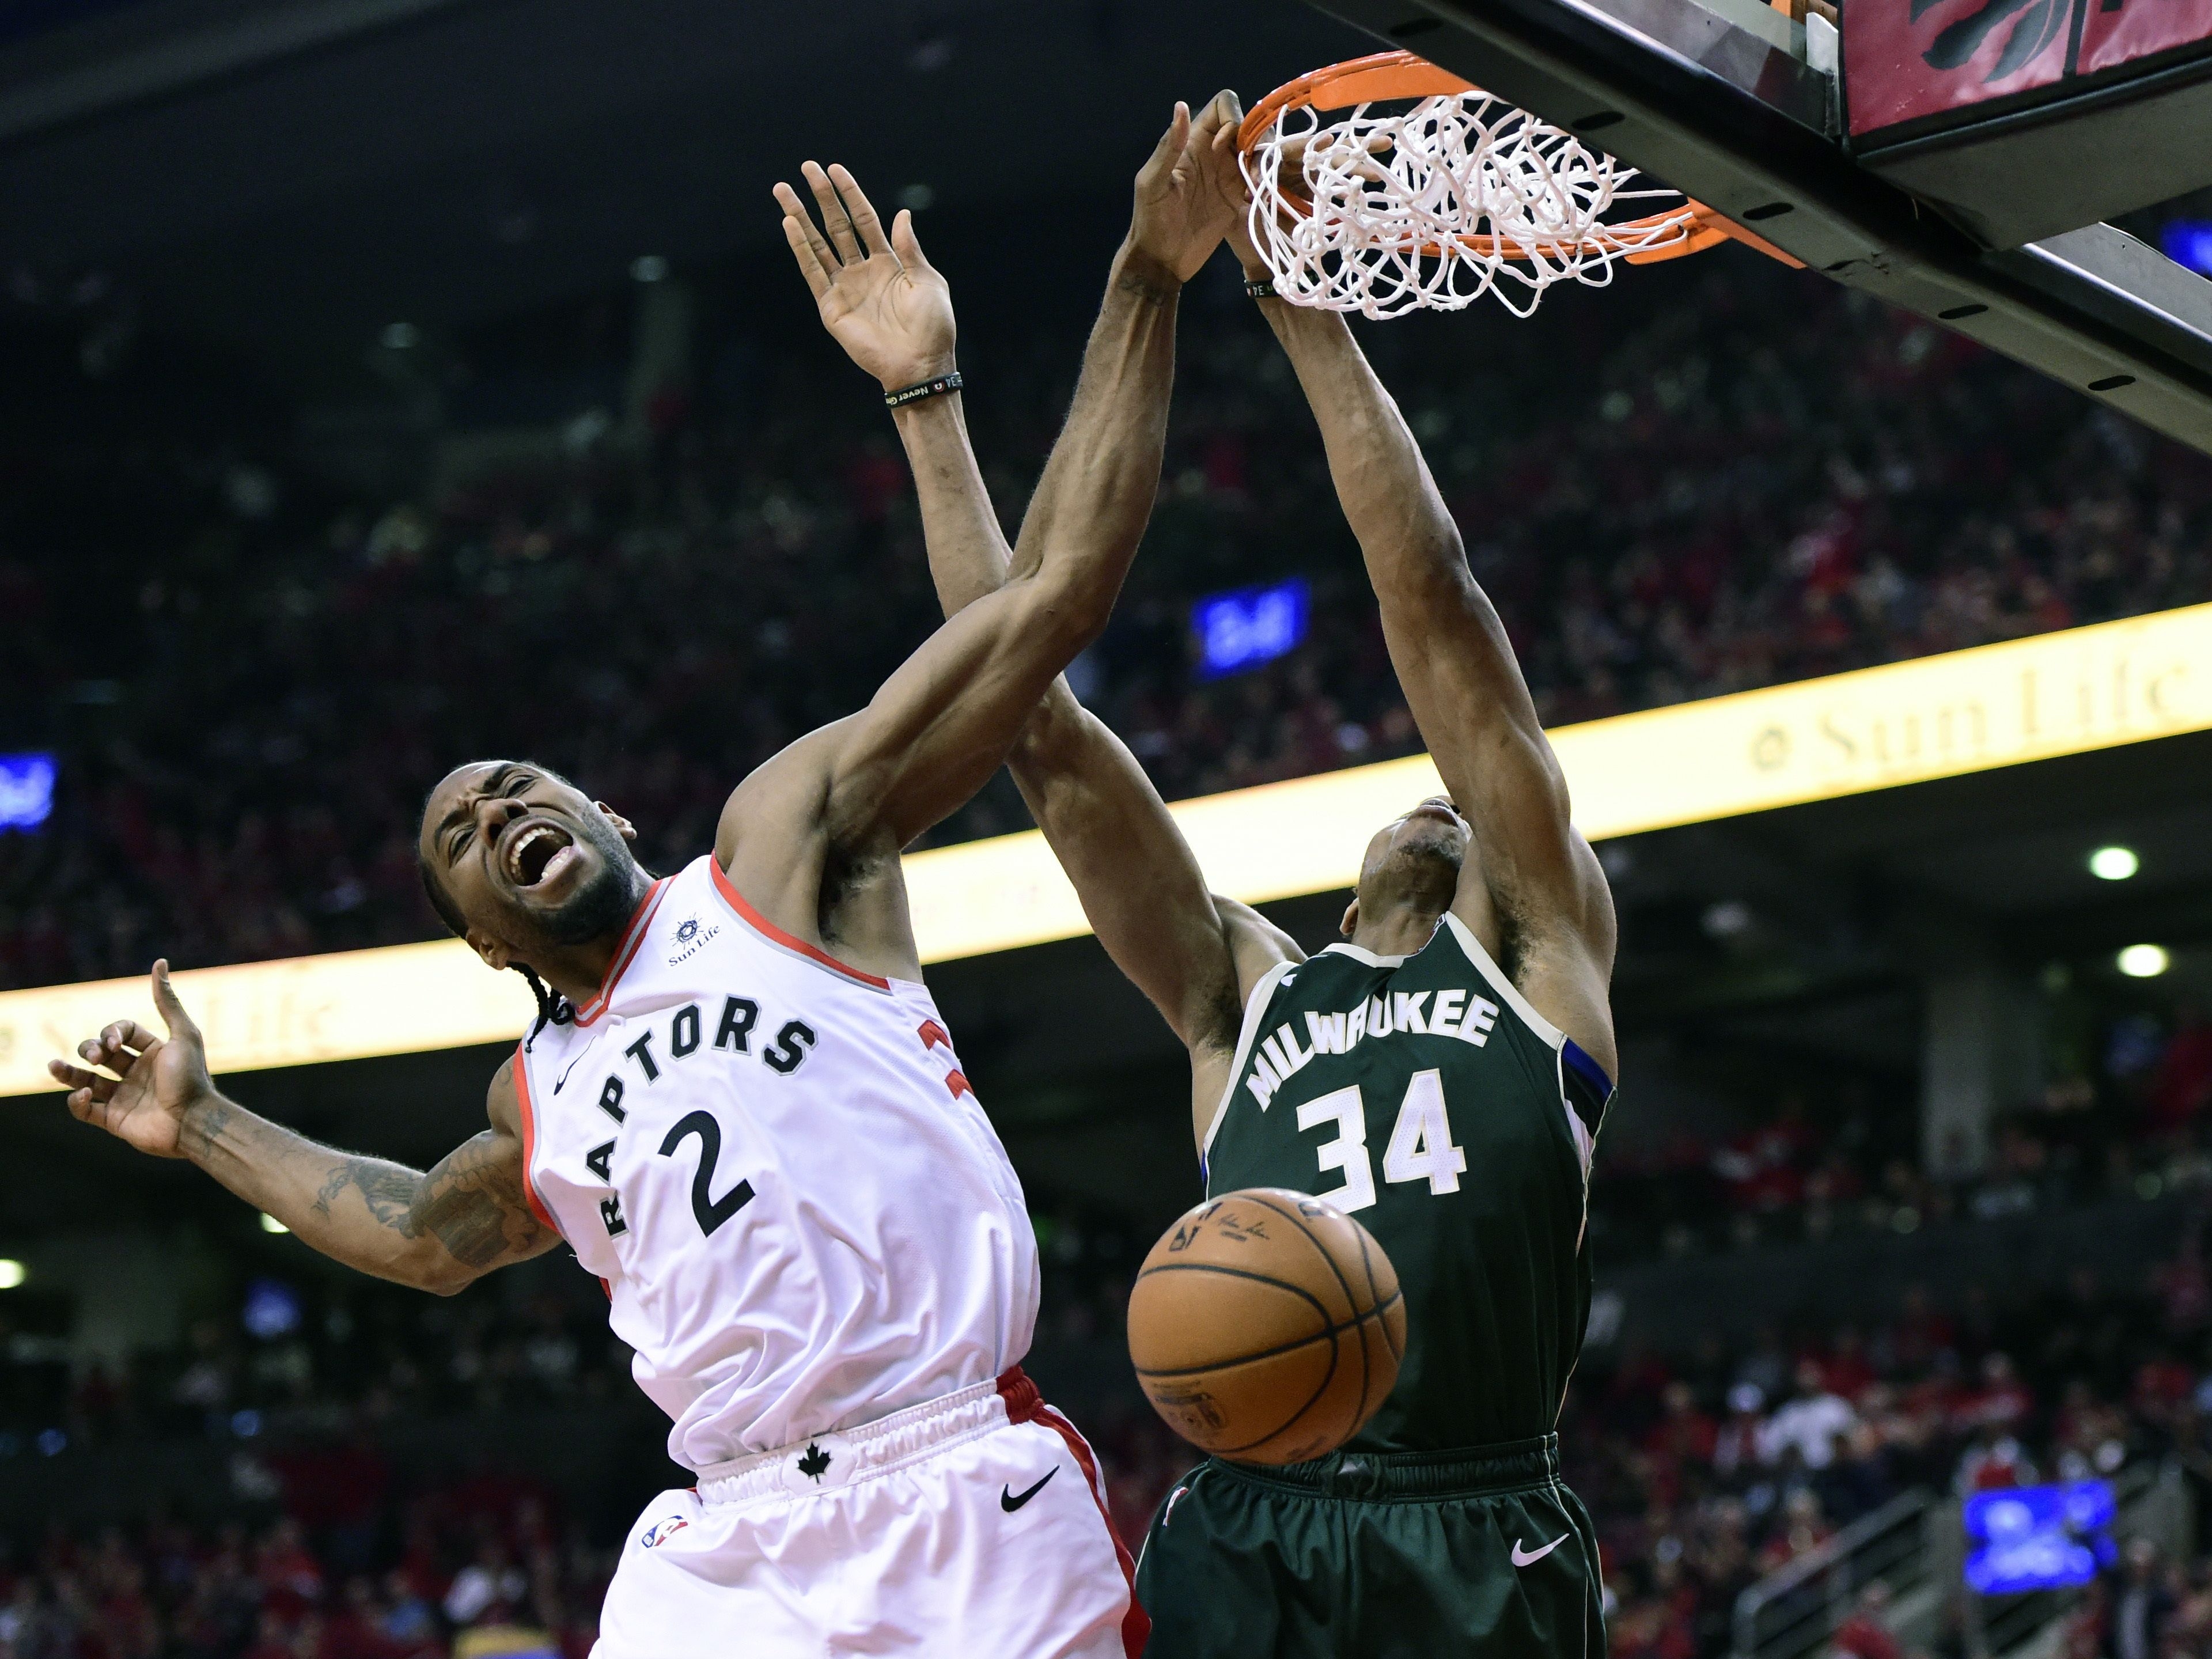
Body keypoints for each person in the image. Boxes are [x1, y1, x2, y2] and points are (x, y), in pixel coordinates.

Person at [46, 108, 1237, 1658]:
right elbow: (415, 1232)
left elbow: (1047, 611)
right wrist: (199, 1122)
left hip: (954, 1479)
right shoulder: (534, 1102)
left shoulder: (782, 853)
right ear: (481, 939)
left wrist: (1097, 303)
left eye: (516, 785)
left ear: (604, 808)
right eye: (461, 835)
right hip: (724, 1547)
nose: (496, 807)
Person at [895, 94, 1618, 1656]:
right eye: (1424, 798)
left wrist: (1303, 313)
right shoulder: (1241, 999)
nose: (1443, 802)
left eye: (1460, 801)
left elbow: (1436, 609)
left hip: (1475, 1511)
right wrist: (929, 406)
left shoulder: (1538, 951)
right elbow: (1031, 724)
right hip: (1255, 1514)